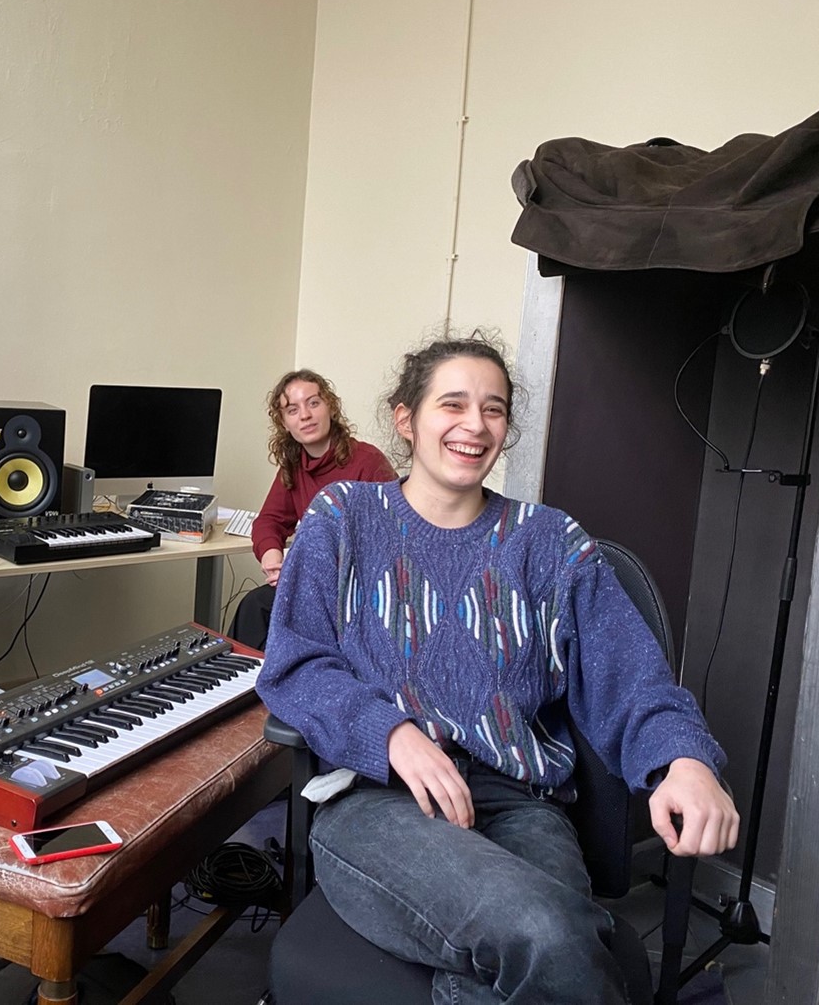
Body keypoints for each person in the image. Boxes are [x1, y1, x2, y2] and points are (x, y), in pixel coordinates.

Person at [255, 334, 738, 1004]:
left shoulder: (549, 540)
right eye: (451, 404)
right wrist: (391, 734)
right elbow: (296, 665)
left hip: (521, 803)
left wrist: (683, 760)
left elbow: (630, 675)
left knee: (561, 945)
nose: (474, 425)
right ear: (405, 419)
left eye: (493, 409)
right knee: (549, 932)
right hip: (378, 798)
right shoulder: (343, 519)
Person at [229, 370, 396, 649]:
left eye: (313, 403)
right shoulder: (294, 467)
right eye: (292, 410)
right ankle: (248, 687)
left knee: (265, 610)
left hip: (357, 590)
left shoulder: (367, 461)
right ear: (284, 423)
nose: (305, 415)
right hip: (312, 584)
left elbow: (391, 537)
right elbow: (269, 520)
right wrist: (272, 557)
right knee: (254, 608)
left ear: (330, 407)